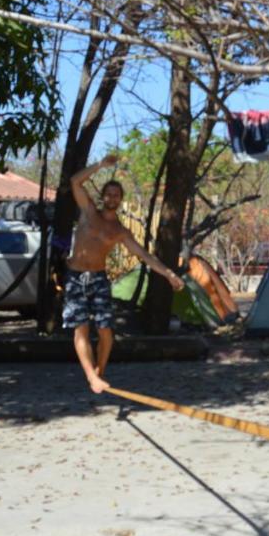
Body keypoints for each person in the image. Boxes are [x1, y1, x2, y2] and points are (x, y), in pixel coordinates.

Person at [63, 155, 184, 393]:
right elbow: (75, 182)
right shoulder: (88, 211)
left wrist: (169, 273)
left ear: (120, 200)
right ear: (102, 196)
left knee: (106, 331)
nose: (111, 198)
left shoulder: (119, 231)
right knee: (81, 328)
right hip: (75, 276)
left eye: (116, 195)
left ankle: (100, 372)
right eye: (108, 194)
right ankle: (91, 376)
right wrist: (100, 166)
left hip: (98, 278)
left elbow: (145, 257)